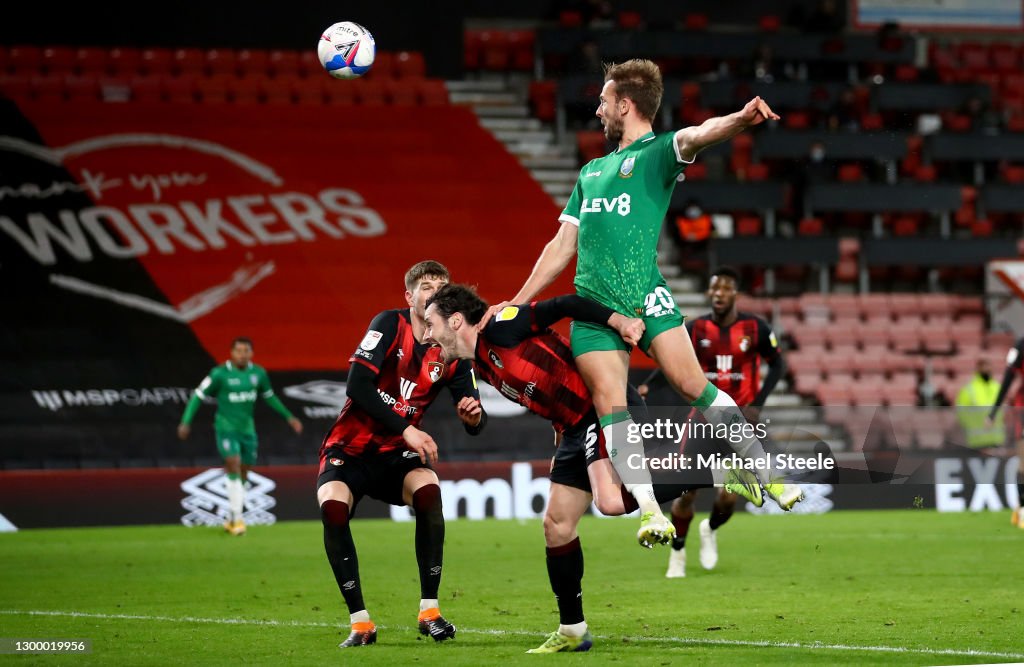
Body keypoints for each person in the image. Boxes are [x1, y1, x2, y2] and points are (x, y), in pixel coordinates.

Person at [486, 58, 801, 549]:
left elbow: (698, 134)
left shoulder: (658, 153)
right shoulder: (590, 173)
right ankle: (651, 513)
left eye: (604, 101)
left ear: (625, 104)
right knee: (613, 405)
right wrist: (519, 303)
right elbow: (561, 247)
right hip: (594, 307)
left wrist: (739, 120)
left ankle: (764, 469)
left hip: (647, 295)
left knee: (694, 384)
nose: (598, 109)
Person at [423, 284, 751, 653]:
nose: (427, 334)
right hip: (573, 429)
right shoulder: (480, 360)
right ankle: (572, 629)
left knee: (610, 502)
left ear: (454, 321)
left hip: (604, 408)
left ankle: (720, 469)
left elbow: (567, 303)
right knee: (557, 526)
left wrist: (620, 322)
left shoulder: (501, 324)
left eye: (431, 324)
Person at [316, 260, 487, 648]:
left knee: (429, 491)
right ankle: (360, 622)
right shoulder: (389, 325)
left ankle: (430, 611)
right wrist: (408, 427)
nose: (435, 292)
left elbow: (474, 411)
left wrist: (473, 416)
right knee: (332, 508)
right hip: (351, 447)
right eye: (426, 286)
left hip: (396, 453)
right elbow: (357, 385)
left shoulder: (451, 346)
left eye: (442, 286)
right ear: (409, 297)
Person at [637, 267, 786, 578]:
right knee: (687, 491)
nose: (719, 294)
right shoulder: (696, 329)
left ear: (735, 293)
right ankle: (677, 552)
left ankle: (710, 528)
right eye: (714, 289)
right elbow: (672, 362)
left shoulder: (755, 328)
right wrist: (651, 383)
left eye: (725, 289)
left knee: (729, 498)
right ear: (708, 293)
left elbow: (778, 363)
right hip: (703, 416)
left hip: (740, 420)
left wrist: (757, 402)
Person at [178, 337, 302, 536]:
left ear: (251, 354)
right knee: (233, 464)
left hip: (248, 431)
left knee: (244, 471)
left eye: (246, 351)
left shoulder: (258, 374)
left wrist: (289, 417)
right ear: (231, 352)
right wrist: (186, 421)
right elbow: (198, 395)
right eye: (239, 351)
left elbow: (270, 397)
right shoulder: (219, 374)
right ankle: (237, 520)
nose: (242, 354)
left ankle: (231, 516)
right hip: (226, 428)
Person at [988, 336, 1024, 528]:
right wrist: (994, 411)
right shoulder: (1021, 345)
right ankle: (1021, 510)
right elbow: (1008, 377)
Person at [956, 358, 1004, 450]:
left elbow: (1003, 411)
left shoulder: (997, 387)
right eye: (983, 367)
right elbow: (961, 413)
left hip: (996, 440)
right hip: (977, 441)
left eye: (988, 367)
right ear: (977, 369)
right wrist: (974, 424)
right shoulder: (968, 389)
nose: (986, 370)